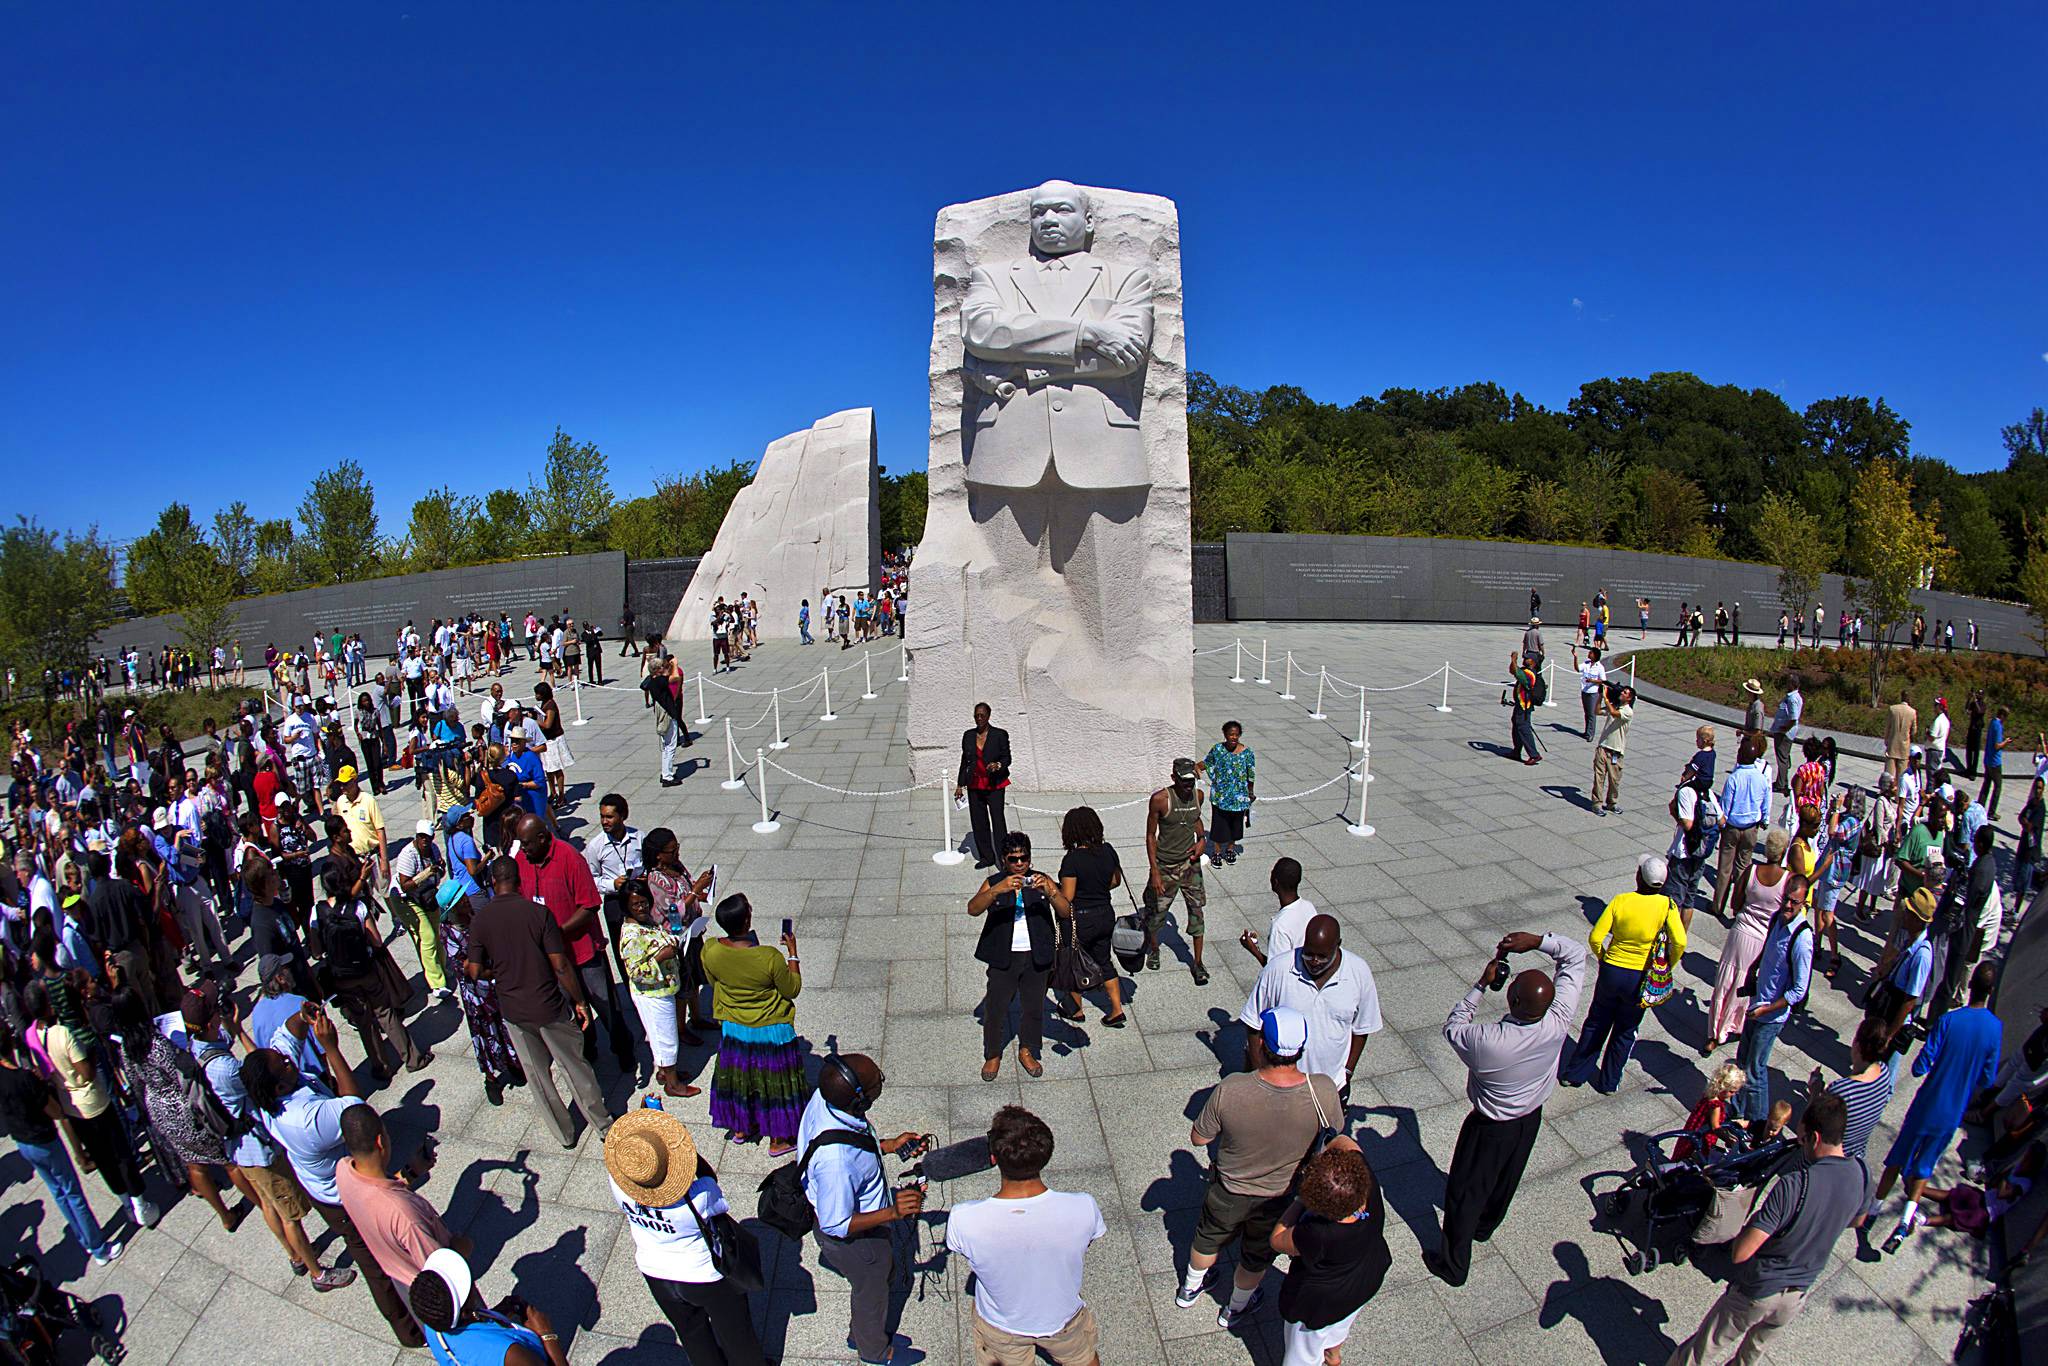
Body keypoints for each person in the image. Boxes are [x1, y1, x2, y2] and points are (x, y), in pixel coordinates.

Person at [240, 1034, 425, 1347]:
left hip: (322, 1188)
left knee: (377, 1256)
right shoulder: (307, 1120)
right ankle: (409, 1330)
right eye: (283, 1064)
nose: (289, 1061)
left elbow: (289, 1035)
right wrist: (332, 1048)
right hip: (345, 1200)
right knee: (377, 1268)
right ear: (279, 1087)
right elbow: (356, 1112)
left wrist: (306, 1019)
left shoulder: (270, 1098)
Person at [1664, 1092, 1871, 1366]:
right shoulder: (1862, 1173)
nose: (1801, 1145)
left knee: (1702, 1350)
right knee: (1749, 1358)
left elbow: (1740, 1253)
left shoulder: (1796, 1184)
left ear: (1816, 1138)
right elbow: (1857, 1221)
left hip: (1759, 1289)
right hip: (1796, 1295)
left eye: (1803, 1139)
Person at [1431, 929, 1588, 1286]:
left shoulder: (1490, 1042)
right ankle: (1485, 1226)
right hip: (1529, 1118)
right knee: (1506, 1179)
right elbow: (1575, 955)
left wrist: (1481, 984)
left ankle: (1453, 1264)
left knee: (1463, 1192)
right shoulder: (1558, 1019)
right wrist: (1538, 941)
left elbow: (1454, 1026)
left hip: (1490, 1126)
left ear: (1512, 1000)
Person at [1179, 1007, 1343, 1326]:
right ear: (1301, 1049)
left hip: (1228, 1189)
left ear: (1262, 1046)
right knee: (1256, 1256)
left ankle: (1189, 1289)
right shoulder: (1322, 1090)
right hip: (1281, 1197)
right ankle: (1235, 1307)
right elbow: (1335, 1134)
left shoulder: (1231, 1088)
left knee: (1207, 1238)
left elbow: (1199, 1138)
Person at [183, 984, 351, 1287]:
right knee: (290, 1214)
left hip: (239, 1149)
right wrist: (244, 1038)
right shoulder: (223, 1068)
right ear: (210, 1022)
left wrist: (236, 1032)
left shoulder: (197, 1049)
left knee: (269, 1203)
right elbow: (259, 1076)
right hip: (259, 1152)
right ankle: (318, 1273)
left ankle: (295, 1255)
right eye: (215, 1008)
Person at [465, 856, 616, 1148]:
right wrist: (580, 1001)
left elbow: (473, 971)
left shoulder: (480, 919)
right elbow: (560, 966)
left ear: (493, 882)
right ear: (519, 880)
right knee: (574, 1066)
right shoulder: (538, 913)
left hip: (513, 1011)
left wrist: (496, 970)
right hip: (548, 1005)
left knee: (537, 1076)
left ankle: (564, 1134)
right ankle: (602, 1124)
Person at [605, 1104, 768, 1366]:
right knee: (737, 1336)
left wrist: (651, 1143)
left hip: (655, 1273)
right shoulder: (698, 1197)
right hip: (705, 1276)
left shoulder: (618, 1182)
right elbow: (709, 1179)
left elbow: (638, 1161)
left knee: (693, 1336)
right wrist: (682, 1150)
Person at [945, 1105, 1106, 1365]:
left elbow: (961, 1249)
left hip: (1000, 1327)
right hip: (1063, 1318)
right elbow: (1088, 1240)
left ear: (994, 1159)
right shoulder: (1083, 1206)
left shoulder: (963, 1218)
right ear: (1046, 1155)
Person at [798, 1053, 926, 1366]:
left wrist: (888, 1145)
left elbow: (851, 1139)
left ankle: (872, 1312)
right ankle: (873, 1350)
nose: (880, 1078)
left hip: (856, 1218)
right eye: (876, 1082)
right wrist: (894, 1212)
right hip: (858, 1242)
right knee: (871, 1294)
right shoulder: (836, 1163)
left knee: (879, 1276)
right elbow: (836, 1224)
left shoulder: (825, 1097)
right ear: (860, 1101)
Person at [1872, 960, 2004, 1244]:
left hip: (1927, 1104)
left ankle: (1873, 1210)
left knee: (1898, 1158)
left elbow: (1921, 1066)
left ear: (1970, 986)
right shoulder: (1995, 1029)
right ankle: (1906, 1220)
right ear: (1991, 990)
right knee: (1925, 1165)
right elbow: (1987, 1078)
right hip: (1953, 1112)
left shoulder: (1949, 1020)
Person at [21, 981, 156, 1228]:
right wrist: (91, 1056)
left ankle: (126, 1203)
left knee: (102, 1158)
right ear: (47, 1005)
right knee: (120, 1153)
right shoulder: (62, 1034)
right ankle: (140, 1203)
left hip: (70, 1105)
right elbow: (86, 1073)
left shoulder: (31, 1037)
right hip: (93, 1101)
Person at [514, 813, 636, 1074]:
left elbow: (590, 905)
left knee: (605, 1005)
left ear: (543, 838)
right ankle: (588, 1048)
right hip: (553, 959)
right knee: (571, 1010)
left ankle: (624, 1049)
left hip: (583, 953)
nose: (523, 849)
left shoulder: (570, 858)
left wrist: (557, 932)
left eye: (527, 844)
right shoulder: (522, 861)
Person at [0, 1017, 122, 1265]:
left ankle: (85, 1240)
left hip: (24, 1143)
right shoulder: (23, 1078)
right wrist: (40, 1087)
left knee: (58, 1193)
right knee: (72, 1192)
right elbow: (55, 1112)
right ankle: (99, 1247)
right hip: (44, 1140)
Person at [1559, 856, 1684, 1092]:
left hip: (1612, 971)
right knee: (1626, 1030)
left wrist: (1603, 957)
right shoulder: (1668, 907)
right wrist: (1667, 966)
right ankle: (1608, 1081)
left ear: (1639, 877)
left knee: (1596, 1022)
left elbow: (1596, 937)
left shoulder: (1620, 901)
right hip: (1641, 977)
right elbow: (1680, 942)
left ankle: (1575, 1074)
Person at [699, 892, 804, 1154]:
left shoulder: (710, 949)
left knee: (740, 1079)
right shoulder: (768, 956)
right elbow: (792, 988)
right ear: (747, 921)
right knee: (775, 1086)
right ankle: (779, 1140)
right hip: (770, 1030)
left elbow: (714, 982)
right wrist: (792, 954)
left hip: (734, 1028)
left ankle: (741, 1128)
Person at [1271, 1136, 1387, 1366]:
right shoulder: (1366, 1184)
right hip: (1366, 1277)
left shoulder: (1318, 1233)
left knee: (1301, 1353)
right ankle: (1333, 1356)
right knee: (1341, 1324)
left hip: (1322, 1301)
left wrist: (1299, 1200)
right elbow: (1343, 1140)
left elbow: (1277, 1240)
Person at [1238, 915, 1381, 1097]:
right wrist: (1259, 1075)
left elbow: (1361, 1029)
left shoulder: (1359, 972)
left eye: (1322, 956)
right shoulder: (1277, 969)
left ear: (1338, 945)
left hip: (1330, 1086)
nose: (1314, 961)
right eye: (1308, 953)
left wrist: (1347, 1073)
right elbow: (1253, 1023)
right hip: (1281, 1087)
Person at [334, 1103, 468, 1294]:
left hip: (399, 1279)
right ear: (381, 1142)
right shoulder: (405, 1216)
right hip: (434, 1294)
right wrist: (463, 1246)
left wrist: (411, 1172)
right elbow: (441, 1271)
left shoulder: (343, 1169)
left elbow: (374, 1193)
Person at [968, 831, 1067, 1080]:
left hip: (1036, 956)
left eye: (1024, 858)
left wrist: (1051, 892)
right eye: (1013, 859)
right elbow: (973, 909)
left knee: (1033, 1007)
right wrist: (997, 891)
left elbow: (1065, 911)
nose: (1020, 864)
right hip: (1004, 957)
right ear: (1004, 860)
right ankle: (993, 1053)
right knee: (996, 1008)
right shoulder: (995, 882)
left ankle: (1027, 1049)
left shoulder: (1040, 880)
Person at [1727, 865, 1813, 1126]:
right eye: (1786, 898)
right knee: (1742, 1061)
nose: (1787, 905)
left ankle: (1760, 1124)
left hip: (1771, 1015)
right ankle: (1737, 1111)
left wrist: (1767, 1009)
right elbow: (1768, 948)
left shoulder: (1803, 938)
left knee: (1755, 1070)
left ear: (1803, 903)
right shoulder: (1778, 918)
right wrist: (1754, 969)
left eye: (1794, 902)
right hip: (1758, 1003)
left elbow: (1799, 990)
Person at [1707, 828, 1795, 1054]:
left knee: (1725, 982)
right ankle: (1737, 1025)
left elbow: (1736, 904)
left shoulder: (1751, 871)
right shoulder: (1788, 880)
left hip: (1740, 932)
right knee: (1749, 984)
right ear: (1784, 851)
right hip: (1763, 939)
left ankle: (1715, 1032)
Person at [408, 1246, 569, 1366]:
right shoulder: (511, 1354)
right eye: (467, 1285)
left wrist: (498, 1314)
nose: (472, 1283)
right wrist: (547, 1334)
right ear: (463, 1312)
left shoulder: (433, 1323)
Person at [617, 879, 698, 1099]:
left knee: (663, 1036)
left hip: (663, 989)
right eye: (636, 905)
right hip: (652, 995)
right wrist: (661, 957)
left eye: (644, 902)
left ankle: (666, 1072)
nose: (642, 907)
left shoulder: (647, 922)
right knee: (666, 1038)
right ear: (626, 907)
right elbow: (636, 973)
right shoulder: (631, 936)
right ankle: (672, 1084)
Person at [1054, 805, 1125, 1027]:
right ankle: (1116, 1010)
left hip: (1081, 920)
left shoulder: (1072, 860)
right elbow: (1115, 881)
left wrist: (1052, 890)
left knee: (1073, 963)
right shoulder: (1108, 850)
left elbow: (1068, 897)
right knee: (1104, 960)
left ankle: (1076, 1010)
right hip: (1105, 913)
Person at [1142, 756, 1210, 983]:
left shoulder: (1198, 796)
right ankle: (1153, 947)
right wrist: (1154, 871)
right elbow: (1151, 835)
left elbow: (1196, 820)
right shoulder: (1160, 800)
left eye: (1192, 780)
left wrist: (1201, 839)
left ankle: (1198, 962)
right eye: (1184, 781)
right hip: (1166, 865)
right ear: (1174, 778)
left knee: (1197, 912)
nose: (1189, 785)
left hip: (1190, 865)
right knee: (1156, 912)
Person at [1711, 734, 1773, 921]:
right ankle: (1738, 907)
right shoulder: (1761, 778)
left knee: (1724, 868)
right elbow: (1765, 801)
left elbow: (1726, 805)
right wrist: (1764, 819)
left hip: (1732, 827)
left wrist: (1723, 822)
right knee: (1743, 869)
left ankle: (1718, 905)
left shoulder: (1734, 778)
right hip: (1751, 828)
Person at [954, 702, 1012, 869]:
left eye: (982, 715)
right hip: (975, 784)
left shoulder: (999, 735)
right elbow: (965, 761)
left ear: (988, 716)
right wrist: (960, 784)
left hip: (994, 785)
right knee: (979, 822)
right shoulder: (968, 736)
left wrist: (998, 765)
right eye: (976, 715)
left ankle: (1003, 859)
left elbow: (1007, 758)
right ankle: (986, 856)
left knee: (998, 822)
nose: (979, 718)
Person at [1239, 855, 1316, 968]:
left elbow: (1275, 971)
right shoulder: (1309, 907)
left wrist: (1254, 950)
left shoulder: (1280, 927)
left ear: (1275, 882)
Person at [1200, 720, 1255, 866]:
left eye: (1236, 735)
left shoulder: (1247, 753)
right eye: (1231, 734)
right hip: (1220, 796)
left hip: (1239, 797)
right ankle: (1216, 852)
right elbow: (1208, 762)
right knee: (1219, 825)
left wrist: (1250, 792)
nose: (1234, 737)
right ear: (1225, 735)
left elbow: (1251, 774)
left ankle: (1230, 849)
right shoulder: (1217, 749)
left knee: (1235, 825)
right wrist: (1196, 767)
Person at [643, 655, 693, 786]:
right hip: (668, 714)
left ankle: (666, 772)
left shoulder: (652, 680)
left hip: (663, 713)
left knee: (666, 747)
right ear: (657, 670)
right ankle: (668, 777)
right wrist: (675, 664)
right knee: (670, 746)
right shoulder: (659, 680)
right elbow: (676, 677)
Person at [1589, 683, 1634, 815]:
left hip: (1616, 751)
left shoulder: (1628, 711)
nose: (1622, 693)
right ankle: (1597, 803)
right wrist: (1600, 697)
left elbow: (1614, 714)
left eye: (1625, 693)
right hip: (1603, 747)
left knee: (1614, 780)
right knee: (1599, 777)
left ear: (1629, 698)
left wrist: (1606, 698)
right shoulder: (1613, 705)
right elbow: (1597, 711)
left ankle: (1611, 803)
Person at [1768, 678, 1803, 796]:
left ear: (1792, 684)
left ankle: (1781, 784)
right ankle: (1782, 780)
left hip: (1784, 734)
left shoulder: (1792, 699)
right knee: (1784, 757)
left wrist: (1784, 729)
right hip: (1784, 731)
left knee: (1782, 758)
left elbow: (1793, 718)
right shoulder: (1793, 697)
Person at [1507, 651, 1542, 765]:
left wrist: (1513, 660)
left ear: (1533, 662)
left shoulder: (1530, 673)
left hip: (1524, 706)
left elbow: (1516, 673)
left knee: (1524, 728)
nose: (1525, 659)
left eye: (1527, 658)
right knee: (1517, 726)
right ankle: (1517, 750)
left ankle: (1534, 754)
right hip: (1520, 704)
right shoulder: (1526, 670)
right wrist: (1514, 662)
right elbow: (1512, 670)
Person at [1981, 704, 2010, 819]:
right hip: (1995, 762)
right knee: (1998, 786)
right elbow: (1997, 745)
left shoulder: (1992, 722)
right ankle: (1992, 812)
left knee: (1986, 784)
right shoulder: (1998, 726)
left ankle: (1981, 805)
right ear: (2002, 716)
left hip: (1987, 759)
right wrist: (2006, 742)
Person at [1572, 643, 1606, 742]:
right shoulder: (1586, 663)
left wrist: (1593, 681)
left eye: (1590, 653)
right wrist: (1575, 658)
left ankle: (1590, 734)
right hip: (1585, 690)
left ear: (1595, 655)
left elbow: (1603, 680)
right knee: (1586, 713)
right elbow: (1578, 669)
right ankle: (1587, 731)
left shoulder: (1600, 667)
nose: (1589, 654)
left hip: (1593, 693)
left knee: (1591, 714)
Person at [1884, 689, 1917, 784]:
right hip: (1904, 746)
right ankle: (1899, 795)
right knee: (1902, 774)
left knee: (1889, 772)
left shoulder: (1892, 709)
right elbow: (1914, 731)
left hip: (1892, 743)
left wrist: (1886, 739)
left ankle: (1886, 791)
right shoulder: (1912, 712)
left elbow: (1888, 727)